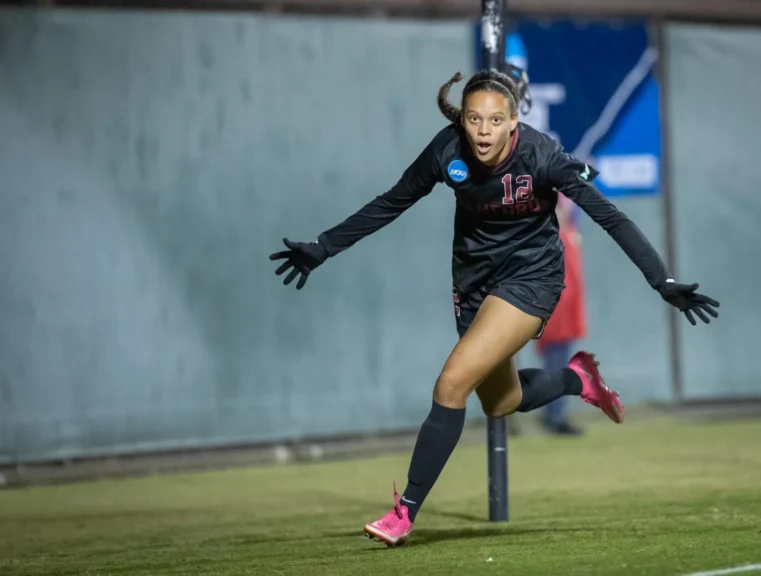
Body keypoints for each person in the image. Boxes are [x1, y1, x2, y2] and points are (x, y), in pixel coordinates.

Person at [269, 69, 720, 547]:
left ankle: (404, 513)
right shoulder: (448, 152)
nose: (483, 131)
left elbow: (610, 217)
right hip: (474, 283)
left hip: (532, 280)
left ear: (513, 123)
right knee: (501, 402)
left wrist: (661, 279)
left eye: (494, 121)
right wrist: (323, 247)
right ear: (462, 120)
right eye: (474, 119)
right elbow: (390, 203)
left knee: (451, 382)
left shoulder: (543, 157)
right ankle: (576, 379)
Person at [535, 192, 587, 435]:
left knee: (558, 366)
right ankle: (554, 417)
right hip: (555, 319)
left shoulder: (567, 239)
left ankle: (554, 414)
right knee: (555, 368)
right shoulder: (554, 241)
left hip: (562, 320)